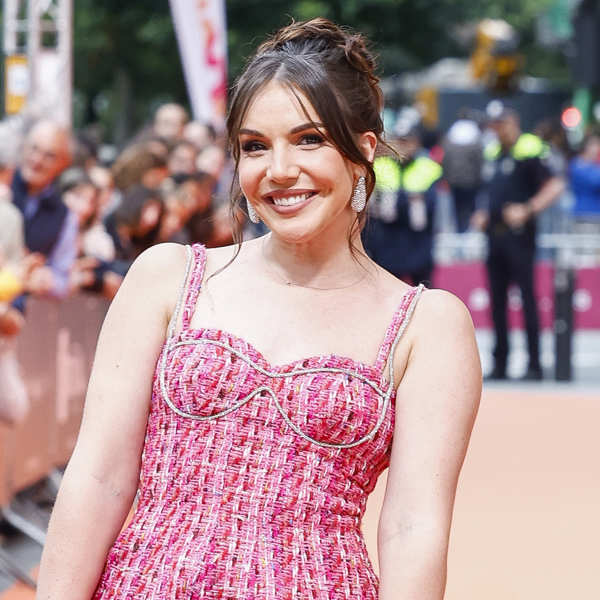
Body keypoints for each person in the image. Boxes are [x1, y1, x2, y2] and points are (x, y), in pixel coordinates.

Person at [37, 18, 481, 600]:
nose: (278, 171)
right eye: (254, 146)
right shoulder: (168, 278)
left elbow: (413, 528)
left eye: (309, 139)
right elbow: (97, 477)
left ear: (362, 152)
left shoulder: (427, 326)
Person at [471, 107, 565, 380]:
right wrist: (483, 213)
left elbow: (555, 185)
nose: (498, 129)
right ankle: (500, 362)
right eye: (494, 125)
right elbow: (489, 191)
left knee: (527, 299)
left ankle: (534, 364)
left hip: (520, 235)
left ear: (513, 122)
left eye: (502, 124)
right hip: (494, 235)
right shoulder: (493, 153)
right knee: (497, 301)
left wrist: (528, 208)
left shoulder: (529, 149)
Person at [362, 120, 442, 286]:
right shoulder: (379, 166)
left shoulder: (429, 167)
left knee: (424, 298)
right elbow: (370, 204)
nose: (403, 145)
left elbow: (433, 208)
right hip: (386, 244)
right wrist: (410, 200)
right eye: (399, 140)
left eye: (408, 140)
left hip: (418, 243)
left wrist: (395, 200)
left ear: (417, 142)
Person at [10, 120, 76, 299]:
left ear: (64, 164)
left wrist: (43, 279)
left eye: (49, 155)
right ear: (23, 147)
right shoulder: (2, 186)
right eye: (34, 148)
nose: (37, 160)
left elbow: (62, 278)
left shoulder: (65, 216)